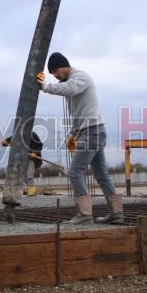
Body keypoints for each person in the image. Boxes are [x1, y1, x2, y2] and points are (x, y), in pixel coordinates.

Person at [36, 52, 123, 224]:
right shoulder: (71, 83)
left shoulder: (80, 78)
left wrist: (45, 86)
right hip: (92, 131)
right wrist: (72, 134)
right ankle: (117, 213)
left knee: (75, 172)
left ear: (63, 66)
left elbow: (70, 88)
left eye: (55, 72)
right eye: (52, 74)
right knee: (101, 174)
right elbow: (78, 114)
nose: (55, 76)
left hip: (92, 132)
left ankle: (84, 214)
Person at [1, 129, 43, 197]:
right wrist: (4, 142)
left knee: (29, 175)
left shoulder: (33, 135)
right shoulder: (17, 135)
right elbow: (8, 141)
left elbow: (39, 145)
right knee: (23, 176)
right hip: (23, 159)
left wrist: (35, 153)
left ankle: (31, 192)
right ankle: (29, 189)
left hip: (32, 158)